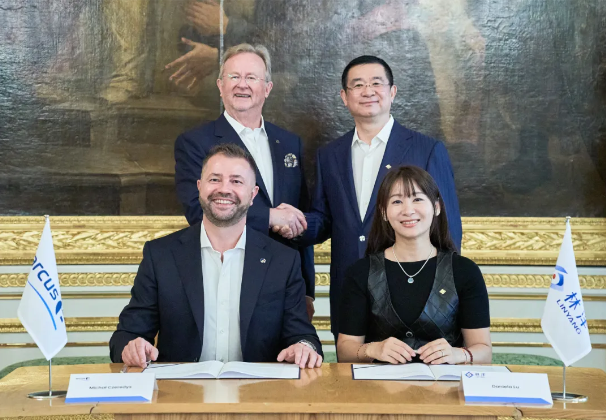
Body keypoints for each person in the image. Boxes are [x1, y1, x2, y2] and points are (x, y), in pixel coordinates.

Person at [275, 55, 462, 340]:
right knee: (351, 366)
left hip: (411, 291)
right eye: (358, 85)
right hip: (350, 291)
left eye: (376, 83)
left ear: (392, 92)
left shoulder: (426, 149)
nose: (368, 91)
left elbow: (448, 228)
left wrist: (442, 294)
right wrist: (290, 222)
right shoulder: (330, 155)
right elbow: (325, 219)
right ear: (344, 97)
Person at [111, 144, 323, 368]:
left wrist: (303, 347)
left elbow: (304, 336)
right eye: (214, 179)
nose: (224, 189)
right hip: (180, 387)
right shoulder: (160, 255)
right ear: (199, 187)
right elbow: (125, 335)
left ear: (253, 194)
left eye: (236, 181)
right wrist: (132, 347)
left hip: (259, 388)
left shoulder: (283, 260)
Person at [174, 43, 316, 319]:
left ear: (267, 88)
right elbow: (197, 211)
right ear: (220, 85)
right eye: (234, 76)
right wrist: (270, 217)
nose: (242, 84)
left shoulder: (290, 143)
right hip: (227, 278)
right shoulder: (195, 143)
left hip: (286, 285)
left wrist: (307, 289)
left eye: (251, 77)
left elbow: (299, 219)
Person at [336, 166, 490, 364]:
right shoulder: (360, 272)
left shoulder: (465, 271)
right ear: (383, 212)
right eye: (397, 201)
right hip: (380, 383)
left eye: (417, 199)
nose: (408, 210)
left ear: (436, 207)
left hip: (443, 382)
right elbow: (345, 351)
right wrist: (372, 349)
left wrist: (458, 354)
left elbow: (484, 352)